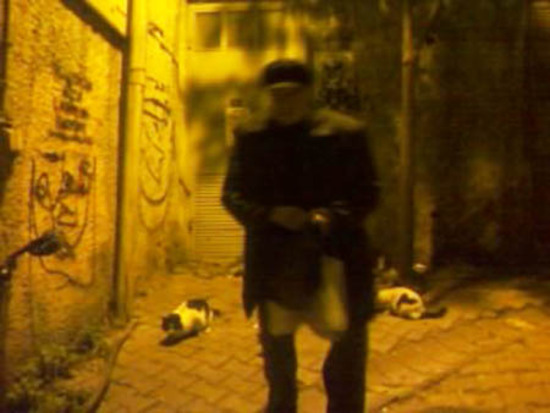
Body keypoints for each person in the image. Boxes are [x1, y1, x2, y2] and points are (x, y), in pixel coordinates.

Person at [222, 58, 380, 413]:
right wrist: (271, 214)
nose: (285, 102)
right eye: (277, 95)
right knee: (278, 353)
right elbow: (232, 196)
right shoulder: (252, 136)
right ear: (268, 95)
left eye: (293, 94)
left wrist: (329, 217)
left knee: (347, 351)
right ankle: (282, 404)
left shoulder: (346, 133)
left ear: (309, 93)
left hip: (337, 254)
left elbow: (368, 194)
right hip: (275, 259)